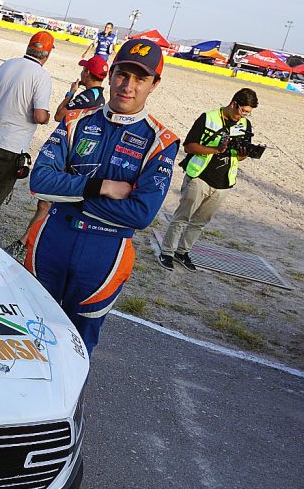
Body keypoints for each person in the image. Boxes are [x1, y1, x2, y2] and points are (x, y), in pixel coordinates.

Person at [25, 39, 180, 355]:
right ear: (110, 75)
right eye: (123, 74)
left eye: (140, 78)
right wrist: (101, 187)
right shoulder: (75, 120)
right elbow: (39, 182)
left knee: (77, 346)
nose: (128, 86)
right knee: (29, 332)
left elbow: (140, 213)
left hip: (104, 253)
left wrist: (69, 191)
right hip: (53, 238)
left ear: (154, 84)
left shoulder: (160, 141)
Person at [8, 55, 108, 258]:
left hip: (69, 154)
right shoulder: (100, 98)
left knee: (45, 202)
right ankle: (31, 242)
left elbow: (59, 115)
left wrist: (70, 93)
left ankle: (26, 243)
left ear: (87, 73)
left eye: (84, 70)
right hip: (81, 156)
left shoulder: (86, 96)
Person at [158, 88, 259, 271]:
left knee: (200, 222)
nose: (243, 116)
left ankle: (182, 252)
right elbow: (189, 146)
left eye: (248, 113)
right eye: (242, 111)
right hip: (199, 176)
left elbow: (240, 157)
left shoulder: (245, 125)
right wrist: (216, 149)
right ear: (234, 103)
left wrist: (244, 154)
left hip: (224, 182)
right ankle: (166, 252)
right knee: (182, 217)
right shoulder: (208, 117)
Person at [0, 31, 54, 235]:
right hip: (13, 142)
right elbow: (40, 116)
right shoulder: (41, 76)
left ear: (29, 47)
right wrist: (47, 117)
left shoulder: (7, 64)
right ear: (47, 55)